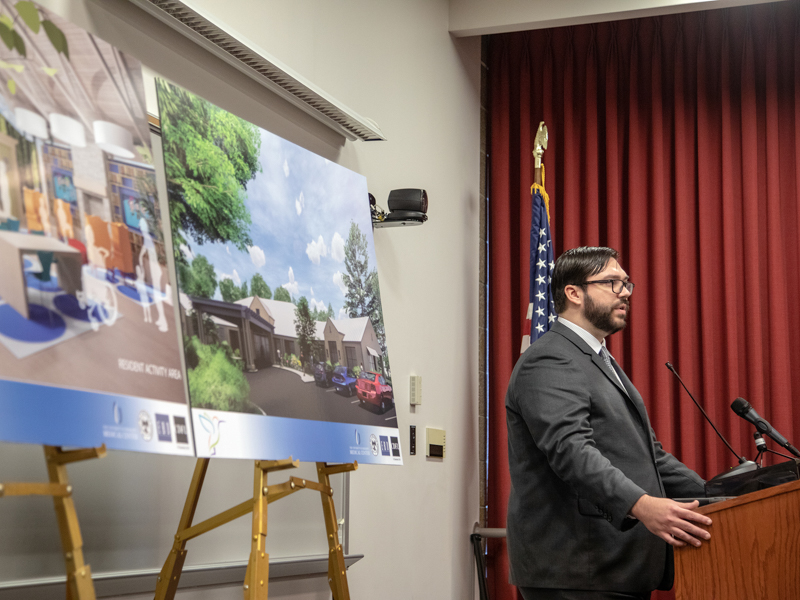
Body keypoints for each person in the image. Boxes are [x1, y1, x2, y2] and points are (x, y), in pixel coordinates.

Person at [505, 247, 711, 600]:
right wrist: (644, 506)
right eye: (612, 283)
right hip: (577, 570)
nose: (626, 292)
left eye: (626, 283)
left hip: (613, 568)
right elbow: (572, 451)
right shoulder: (552, 358)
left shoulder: (597, 358)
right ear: (573, 293)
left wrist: (715, 500)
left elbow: (650, 456)